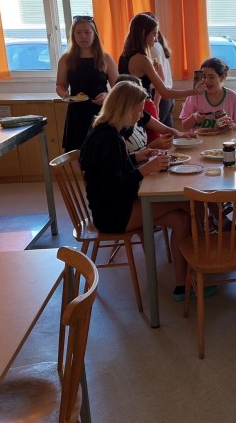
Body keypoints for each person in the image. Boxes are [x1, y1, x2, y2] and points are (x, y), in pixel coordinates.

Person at [79, 80, 208, 302]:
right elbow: (114, 187)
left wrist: (138, 157)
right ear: (124, 108)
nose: (141, 116)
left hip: (113, 206)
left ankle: (183, 284)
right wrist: (144, 170)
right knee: (189, 203)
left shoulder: (105, 130)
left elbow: (112, 168)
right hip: (112, 214)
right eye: (138, 110)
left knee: (181, 219)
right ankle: (204, 266)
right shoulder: (107, 138)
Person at [119, 13, 203, 142]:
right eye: (154, 34)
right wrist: (194, 91)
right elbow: (165, 92)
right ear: (144, 33)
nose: (156, 39)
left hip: (127, 108)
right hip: (143, 107)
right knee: (154, 144)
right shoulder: (142, 59)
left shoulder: (123, 56)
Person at [56, 15, 118, 151]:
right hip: (76, 113)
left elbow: (119, 88)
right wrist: (64, 94)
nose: (83, 36)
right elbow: (60, 85)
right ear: (73, 35)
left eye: (87, 32)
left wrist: (107, 95)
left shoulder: (105, 58)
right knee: (77, 152)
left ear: (94, 34)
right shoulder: (65, 59)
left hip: (101, 112)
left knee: (103, 150)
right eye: (78, 32)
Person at [114, 74, 196, 155]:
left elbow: (166, 130)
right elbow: (126, 161)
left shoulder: (140, 113)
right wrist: (152, 146)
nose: (144, 95)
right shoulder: (117, 128)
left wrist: (180, 134)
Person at [179, 57, 236, 132]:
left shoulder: (232, 96)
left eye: (211, 77)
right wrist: (194, 118)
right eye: (204, 77)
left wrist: (231, 125)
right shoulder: (195, 95)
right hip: (200, 139)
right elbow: (184, 126)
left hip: (225, 139)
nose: (206, 80)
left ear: (222, 77)